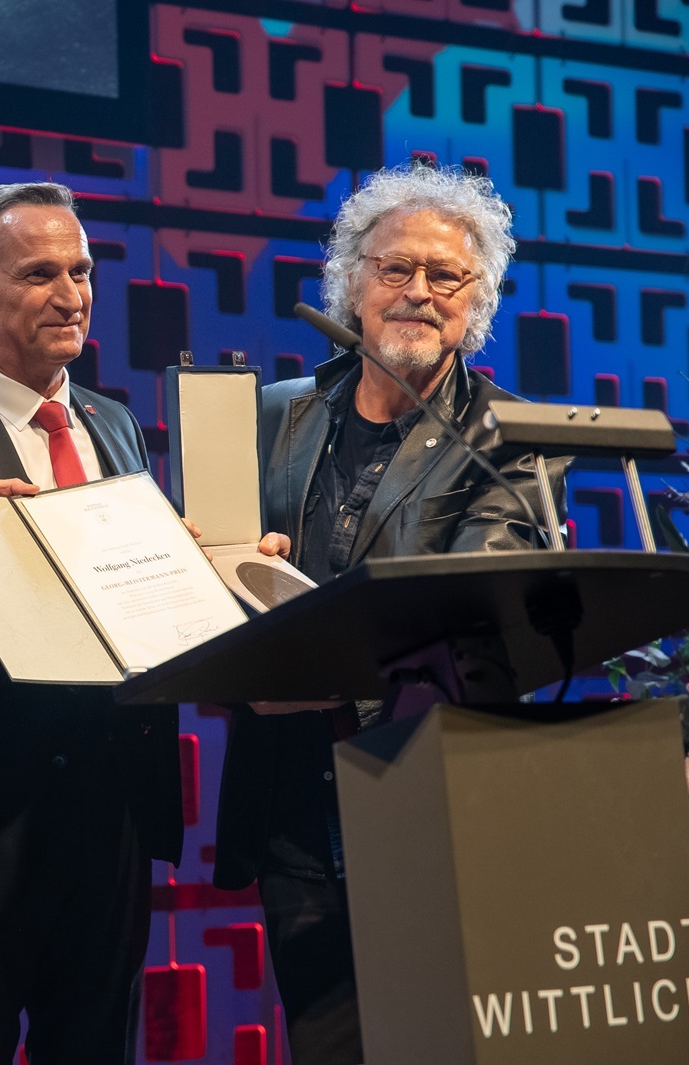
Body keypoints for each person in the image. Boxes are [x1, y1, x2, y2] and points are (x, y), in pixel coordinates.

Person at [0, 181, 286, 1064]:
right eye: (40, 272)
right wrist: (49, 593)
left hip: (110, 820)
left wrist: (217, 579)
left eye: (82, 270)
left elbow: (139, 618)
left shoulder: (116, 425)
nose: (71, 293)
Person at [212, 163, 568, 1065]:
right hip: (292, 803)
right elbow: (211, 577)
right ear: (350, 281)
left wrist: (302, 671)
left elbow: (461, 614)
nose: (416, 292)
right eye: (392, 267)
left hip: (430, 799)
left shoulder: (512, 435)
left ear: (475, 300)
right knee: (324, 1045)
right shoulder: (266, 416)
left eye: (444, 275)